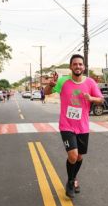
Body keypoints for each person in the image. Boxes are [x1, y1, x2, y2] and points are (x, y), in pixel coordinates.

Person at [44, 54, 104, 198]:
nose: (78, 66)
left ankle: (73, 177)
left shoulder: (90, 82)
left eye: (80, 64)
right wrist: (51, 84)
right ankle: (71, 181)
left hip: (83, 126)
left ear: (83, 67)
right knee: (73, 155)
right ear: (71, 67)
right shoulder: (63, 81)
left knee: (79, 157)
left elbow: (101, 100)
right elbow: (46, 93)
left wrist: (91, 98)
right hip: (66, 125)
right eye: (75, 64)